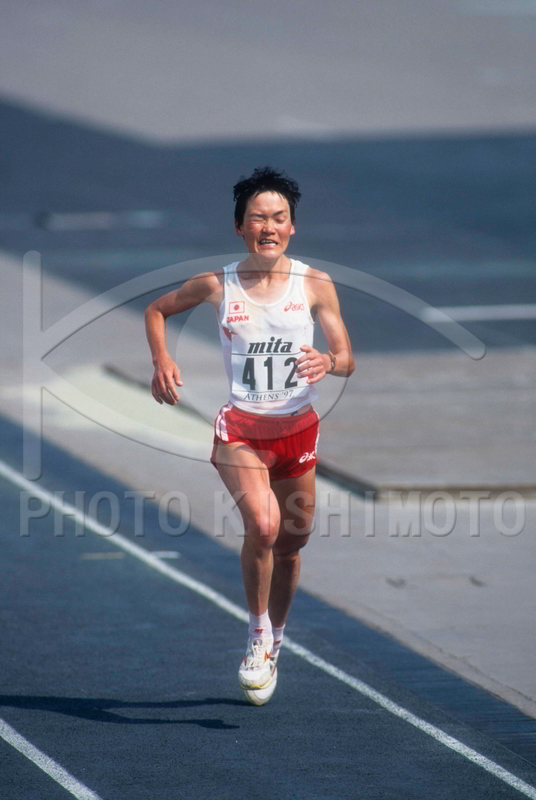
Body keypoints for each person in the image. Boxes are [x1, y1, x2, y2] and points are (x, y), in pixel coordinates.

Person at [145, 166, 355, 703]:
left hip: (298, 430)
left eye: (279, 218)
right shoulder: (218, 284)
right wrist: (162, 360)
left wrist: (328, 361)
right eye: (258, 218)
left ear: (292, 227)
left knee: (292, 544)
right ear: (239, 227)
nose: (269, 227)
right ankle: (257, 635)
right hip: (241, 429)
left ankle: (276, 640)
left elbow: (347, 358)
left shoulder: (315, 284)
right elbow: (156, 310)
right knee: (262, 526)